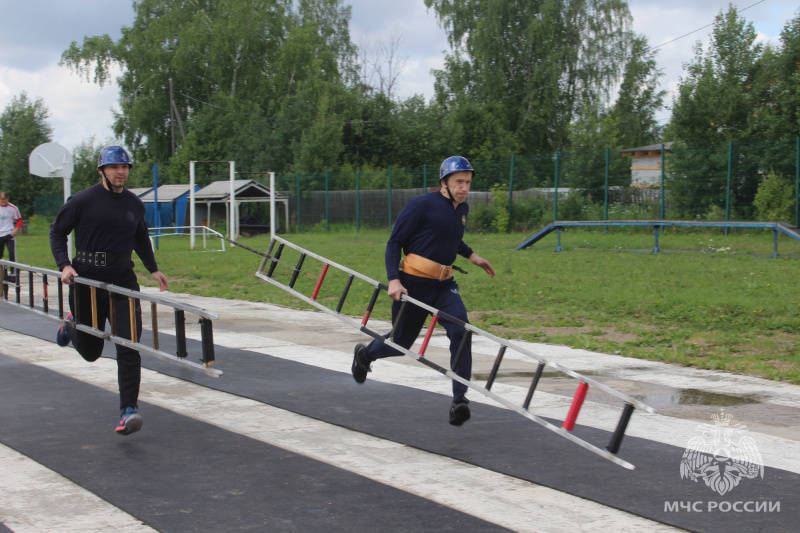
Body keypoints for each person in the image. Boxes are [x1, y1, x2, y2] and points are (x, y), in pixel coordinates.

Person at [352, 155, 495, 426]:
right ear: (444, 182)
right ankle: (366, 354)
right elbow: (394, 243)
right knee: (401, 342)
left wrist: (472, 256)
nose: (464, 188)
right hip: (413, 285)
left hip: (444, 286)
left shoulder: (462, 209)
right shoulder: (420, 205)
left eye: (467, 182)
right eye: (459, 182)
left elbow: (451, 237)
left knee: (461, 331)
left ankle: (459, 400)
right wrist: (394, 280)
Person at [50, 145, 168, 436]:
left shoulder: (134, 204)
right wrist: (64, 265)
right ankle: (71, 325)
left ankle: (129, 410)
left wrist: (153, 268)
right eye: (115, 167)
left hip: (122, 280)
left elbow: (140, 237)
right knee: (92, 352)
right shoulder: (81, 200)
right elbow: (57, 231)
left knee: (129, 344)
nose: (121, 172)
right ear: (102, 170)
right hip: (86, 278)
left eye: (125, 167)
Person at [0, 192, 23, 270]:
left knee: (12, 253)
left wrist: (16, 229)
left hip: (9, 233)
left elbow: (19, 220)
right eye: (1, 201)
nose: (3, 202)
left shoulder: (13, 208)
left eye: (4, 201)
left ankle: (13, 271)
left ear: (7, 199)